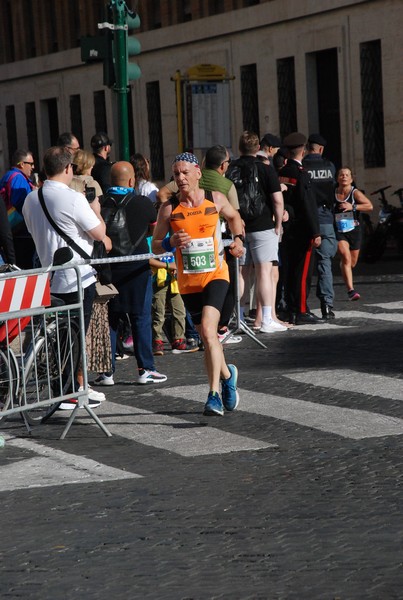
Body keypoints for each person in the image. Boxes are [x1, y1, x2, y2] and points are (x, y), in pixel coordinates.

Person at [152, 152, 244, 416]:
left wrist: (238, 239)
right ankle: (228, 375)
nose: (180, 178)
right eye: (176, 174)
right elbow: (156, 245)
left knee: (207, 329)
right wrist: (170, 243)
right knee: (207, 337)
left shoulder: (215, 199)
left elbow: (235, 218)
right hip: (188, 282)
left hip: (216, 275)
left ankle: (213, 395)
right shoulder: (169, 209)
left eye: (184, 173)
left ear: (197, 174)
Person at [22, 145, 110, 407]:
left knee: (61, 338)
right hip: (77, 277)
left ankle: (69, 387)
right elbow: (99, 233)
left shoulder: (30, 199)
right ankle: (68, 391)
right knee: (74, 336)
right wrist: (94, 206)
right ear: (68, 168)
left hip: (49, 278)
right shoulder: (72, 198)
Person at [95, 161, 167, 386]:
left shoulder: (98, 203)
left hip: (107, 269)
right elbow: (154, 229)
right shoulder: (143, 202)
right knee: (140, 318)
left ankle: (107, 372)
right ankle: (145, 369)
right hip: (136, 267)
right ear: (131, 181)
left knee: (110, 321)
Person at [226, 131, 285, 334]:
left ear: (240, 147)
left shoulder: (231, 168)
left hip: (238, 227)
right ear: (258, 147)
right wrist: (278, 224)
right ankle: (266, 319)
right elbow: (277, 200)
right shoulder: (266, 169)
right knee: (264, 273)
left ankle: (240, 318)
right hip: (262, 225)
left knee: (242, 274)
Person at [279, 132, 322, 325]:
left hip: (287, 229)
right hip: (302, 230)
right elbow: (308, 205)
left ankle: (289, 308)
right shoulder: (301, 174)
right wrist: (316, 231)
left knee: (288, 271)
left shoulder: (282, 172)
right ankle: (301, 309)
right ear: (303, 150)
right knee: (303, 272)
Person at [303, 133, 338, 319]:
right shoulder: (329, 167)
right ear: (321, 149)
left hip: (306, 221)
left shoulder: (303, 166)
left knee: (302, 266)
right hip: (324, 219)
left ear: (308, 147)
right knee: (325, 263)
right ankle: (326, 305)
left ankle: (301, 306)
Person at [334, 166, 373, 300]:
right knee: (345, 257)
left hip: (354, 230)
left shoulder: (354, 193)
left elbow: (370, 206)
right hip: (339, 230)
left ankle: (345, 269)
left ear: (351, 179)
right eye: (341, 175)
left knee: (352, 262)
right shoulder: (333, 193)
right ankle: (351, 291)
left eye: (347, 175)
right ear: (337, 178)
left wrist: (353, 206)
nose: (344, 176)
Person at [0, 148, 37, 269]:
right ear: (22, 164)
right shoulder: (18, 178)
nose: (33, 167)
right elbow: (23, 205)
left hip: (13, 231)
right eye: (30, 163)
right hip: (20, 233)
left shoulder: (9, 176)